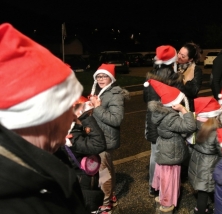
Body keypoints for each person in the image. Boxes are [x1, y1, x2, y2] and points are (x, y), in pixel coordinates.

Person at [0, 23, 87, 213]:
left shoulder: (51, 155)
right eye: (69, 107)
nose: (74, 117)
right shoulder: (16, 204)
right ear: (44, 114)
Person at [144, 79, 197, 213]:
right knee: (170, 178)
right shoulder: (171, 117)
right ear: (174, 103)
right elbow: (190, 126)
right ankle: (167, 204)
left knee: (163, 175)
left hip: (164, 148)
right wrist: (184, 110)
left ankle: (162, 197)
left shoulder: (161, 113)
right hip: (172, 149)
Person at [143, 45, 184, 197]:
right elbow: (180, 100)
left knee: (155, 154)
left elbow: (145, 99)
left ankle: (153, 187)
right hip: (171, 121)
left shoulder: (150, 78)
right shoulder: (176, 78)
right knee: (171, 154)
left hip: (153, 120)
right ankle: (168, 187)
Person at [89, 64, 130, 213]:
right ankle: (110, 195)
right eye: (98, 76)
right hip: (101, 137)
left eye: (104, 76)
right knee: (108, 167)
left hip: (105, 139)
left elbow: (116, 120)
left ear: (111, 78)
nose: (100, 79)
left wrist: (97, 107)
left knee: (103, 172)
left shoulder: (115, 95)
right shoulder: (102, 92)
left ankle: (106, 205)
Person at [63, 96, 106, 212]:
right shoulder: (72, 136)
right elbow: (99, 144)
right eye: (87, 113)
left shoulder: (73, 129)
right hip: (82, 181)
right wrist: (85, 118)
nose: (90, 115)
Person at [188, 97, 222, 214]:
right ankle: (204, 211)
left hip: (196, 160)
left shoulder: (195, 125)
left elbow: (190, 144)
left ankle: (199, 209)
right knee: (210, 190)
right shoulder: (217, 132)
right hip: (210, 165)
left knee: (202, 192)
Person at [177, 42, 203, 111]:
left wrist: (179, 81)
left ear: (190, 59)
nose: (179, 57)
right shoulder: (173, 66)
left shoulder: (196, 70)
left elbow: (194, 91)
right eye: (179, 53)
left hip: (187, 107)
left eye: (183, 56)